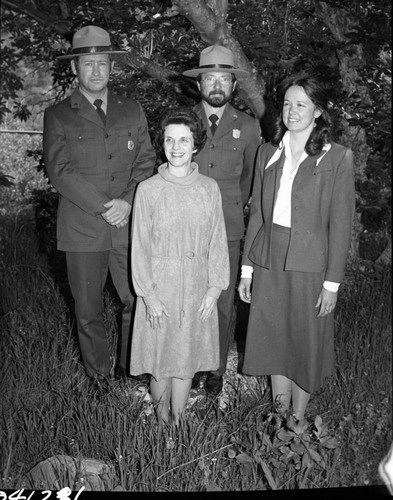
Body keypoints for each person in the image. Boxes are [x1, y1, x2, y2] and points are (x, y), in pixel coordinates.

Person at [238, 75, 356, 422]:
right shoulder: (267, 152)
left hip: (310, 263)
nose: (292, 111)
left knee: (303, 342)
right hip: (268, 259)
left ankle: (298, 422)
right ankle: (278, 416)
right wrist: (247, 269)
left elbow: (341, 225)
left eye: (301, 104)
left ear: (318, 111)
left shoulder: (337, 158)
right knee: (274, 338)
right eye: (287, 103)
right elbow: (258, 213)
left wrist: (331, 283)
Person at [43, 26, 156, 386]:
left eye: (102, 63)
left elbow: (146, 162)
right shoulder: (59, 114)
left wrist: (126, 202)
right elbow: (59, 171)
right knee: (88, 311)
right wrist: (105, 206)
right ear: (76, 67)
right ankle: (100, 379)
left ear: (112, 67)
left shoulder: (132, 111)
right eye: (88, 64)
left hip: (127, 228)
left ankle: (130, 367)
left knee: (136, 302)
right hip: (83, 229)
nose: (96, 71)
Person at [129, 108, 230, 424]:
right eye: (170, 140)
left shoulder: (208, 189)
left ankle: (178, 419)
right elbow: (140, 247)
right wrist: (149, 295)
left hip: (196, 288)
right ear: (162, 144)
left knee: (185, 358)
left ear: (195, 144)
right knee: (161, 359)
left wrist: (214, 289)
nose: (176, 147)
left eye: (184, 140)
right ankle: (160, 424)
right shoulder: (148, 190)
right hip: (160, 287)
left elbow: (218, 240)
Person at [183, 45, 261, 396]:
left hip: (228, 227)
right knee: (188, 296)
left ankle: (214, 369)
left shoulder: (247, 126)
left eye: (224, 78)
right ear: (199, 83)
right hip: (185, 227)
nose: (217, 84)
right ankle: (190, 363)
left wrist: (231, 207)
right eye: (210, 77)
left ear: (233, 85)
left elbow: (249, 181)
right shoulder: (183, 122)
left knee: (223, 301)